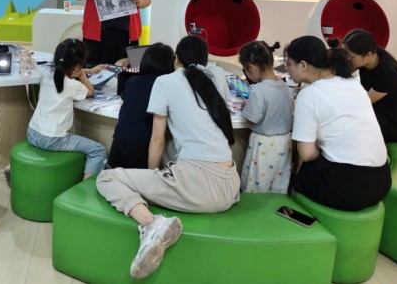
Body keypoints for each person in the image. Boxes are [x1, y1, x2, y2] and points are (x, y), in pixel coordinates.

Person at [96, 36, 240, 279]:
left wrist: (152, 175)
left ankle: (152, 224)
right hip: (230, 185)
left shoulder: (165, 82)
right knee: (174, 151)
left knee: (107, 178)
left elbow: (157, 140)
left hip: (197, 187)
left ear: (176, 59)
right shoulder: (217, 76)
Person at [285, 35, 391, 211]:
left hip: (346, 189)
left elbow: (307, 154)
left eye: (289, 64)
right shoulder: (353, 83)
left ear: (303, 65)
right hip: (382, 181)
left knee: (301, 170)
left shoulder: (308, 95)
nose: (287, 70)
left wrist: (320, 148)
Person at [26, 38, 107, 180]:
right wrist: (82, 74)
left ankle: (11, 167)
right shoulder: (72, 85)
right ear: (77, 66)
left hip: (32, 133)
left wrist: (88, 70)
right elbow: (90, 91)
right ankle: (84, 188)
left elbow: (62, 70)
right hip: (52, 140)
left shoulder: (46, 74)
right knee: (98, 150)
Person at [107, 42, 175, 169]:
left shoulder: (133, 80)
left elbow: (125, 103)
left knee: (114, 177)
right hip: (140, 144)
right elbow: (158, 137)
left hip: (119, 139)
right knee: (140, 181)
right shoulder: (163, 84)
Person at [238, 41, 293, 194]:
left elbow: (252, 118)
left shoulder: (259, 89)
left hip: (264, 144)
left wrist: (246, 106)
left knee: (257, 183)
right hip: (284, 143)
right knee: (278, 183)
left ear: (251, 68)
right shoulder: (284, 86)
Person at [342, 28, 397, 143]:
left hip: (391, 122)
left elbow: (363, 102)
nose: (346, 60)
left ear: (368, 55)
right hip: (375, 110)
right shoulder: (366, 63)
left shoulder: (388, 74)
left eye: (349, 57)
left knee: (346, 124)